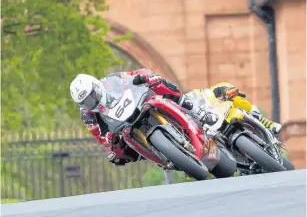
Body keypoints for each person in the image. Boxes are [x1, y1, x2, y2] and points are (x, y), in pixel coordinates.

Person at [69, 68, 219, 166]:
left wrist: (147, 77)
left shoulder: (110, 81)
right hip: (123, 126)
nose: (91, 102)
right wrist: (109, 144)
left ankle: (198, 112)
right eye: (86, 102)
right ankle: (163, 157)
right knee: (119, 153)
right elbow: (100, 137)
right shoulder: (87, 115)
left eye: (91, 97)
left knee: (159, 85)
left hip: (139, 103)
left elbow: (133, 76)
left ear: (96, 87)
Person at [187, 82, 282, 134]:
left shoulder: (210, 93)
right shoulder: (191, 117)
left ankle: (264, 121)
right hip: (210, 131)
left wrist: (227, 91)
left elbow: (220, 88)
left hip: (226, 113)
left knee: (234, 98)